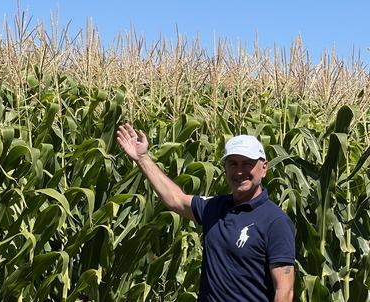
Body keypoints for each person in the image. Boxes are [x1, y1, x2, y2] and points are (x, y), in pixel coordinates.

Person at [116, 123, 295, 302]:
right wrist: (142, 158)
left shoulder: (275, 221)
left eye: (247, 163)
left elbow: (284, 291)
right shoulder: (215, 207)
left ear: (264, 168)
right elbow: (175, 198)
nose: (239, 171)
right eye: (233, 163)